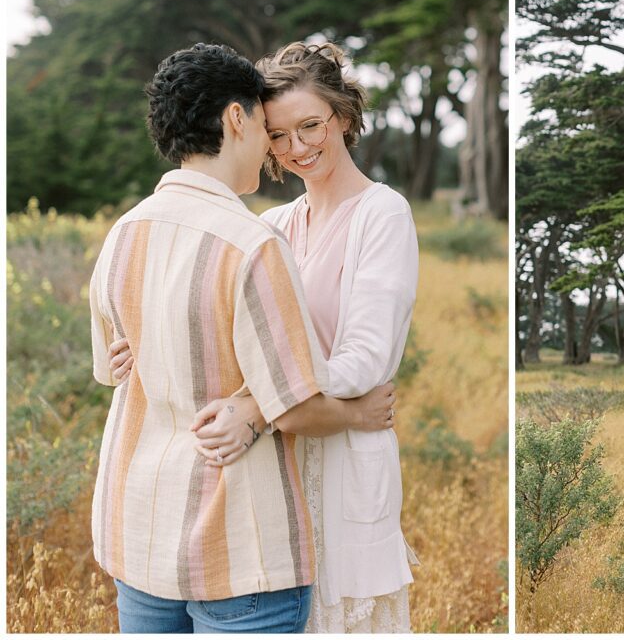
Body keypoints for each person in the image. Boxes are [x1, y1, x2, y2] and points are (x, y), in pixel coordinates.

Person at [90, 43, 396, 633]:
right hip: (235, 545)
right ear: (237, 118)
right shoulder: (252, 242)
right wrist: (356, 414)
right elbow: (299, 405)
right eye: (268, 127)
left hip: (137, 529)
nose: (279, 146)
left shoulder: (121, 234)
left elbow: (112, 365)